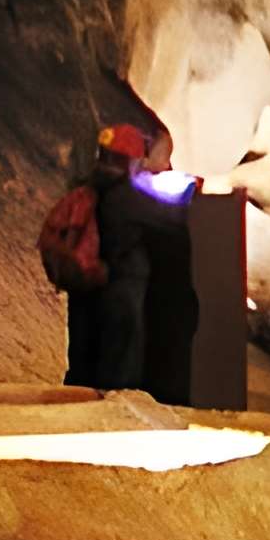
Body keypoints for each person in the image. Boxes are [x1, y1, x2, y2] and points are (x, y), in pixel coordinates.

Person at [53, 124, 171, 392]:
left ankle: (75, 409)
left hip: (84, 287)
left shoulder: (83, 187)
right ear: (130, 160)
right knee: (117, 366)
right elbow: (169, 221)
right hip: (118, 293)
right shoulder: (129, 197)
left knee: (83, 359)